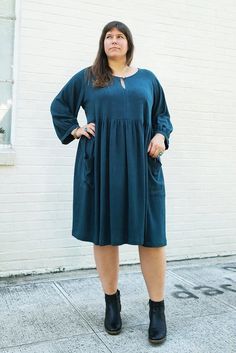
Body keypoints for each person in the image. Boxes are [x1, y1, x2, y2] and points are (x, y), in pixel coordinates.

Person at [50, 20, 173, 344]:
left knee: (152, 237)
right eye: (109, 37)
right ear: (102, 44)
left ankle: (157, 308)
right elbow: (60, 106)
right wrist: (76, 129)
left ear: (129, 43)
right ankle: (111, 302)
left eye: (120, 36)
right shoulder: (89, 78)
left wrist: (160, 134)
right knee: (104, 236)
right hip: (100, 165)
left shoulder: (148, 79)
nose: (114, 41)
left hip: (142, 166)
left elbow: (163, 116)